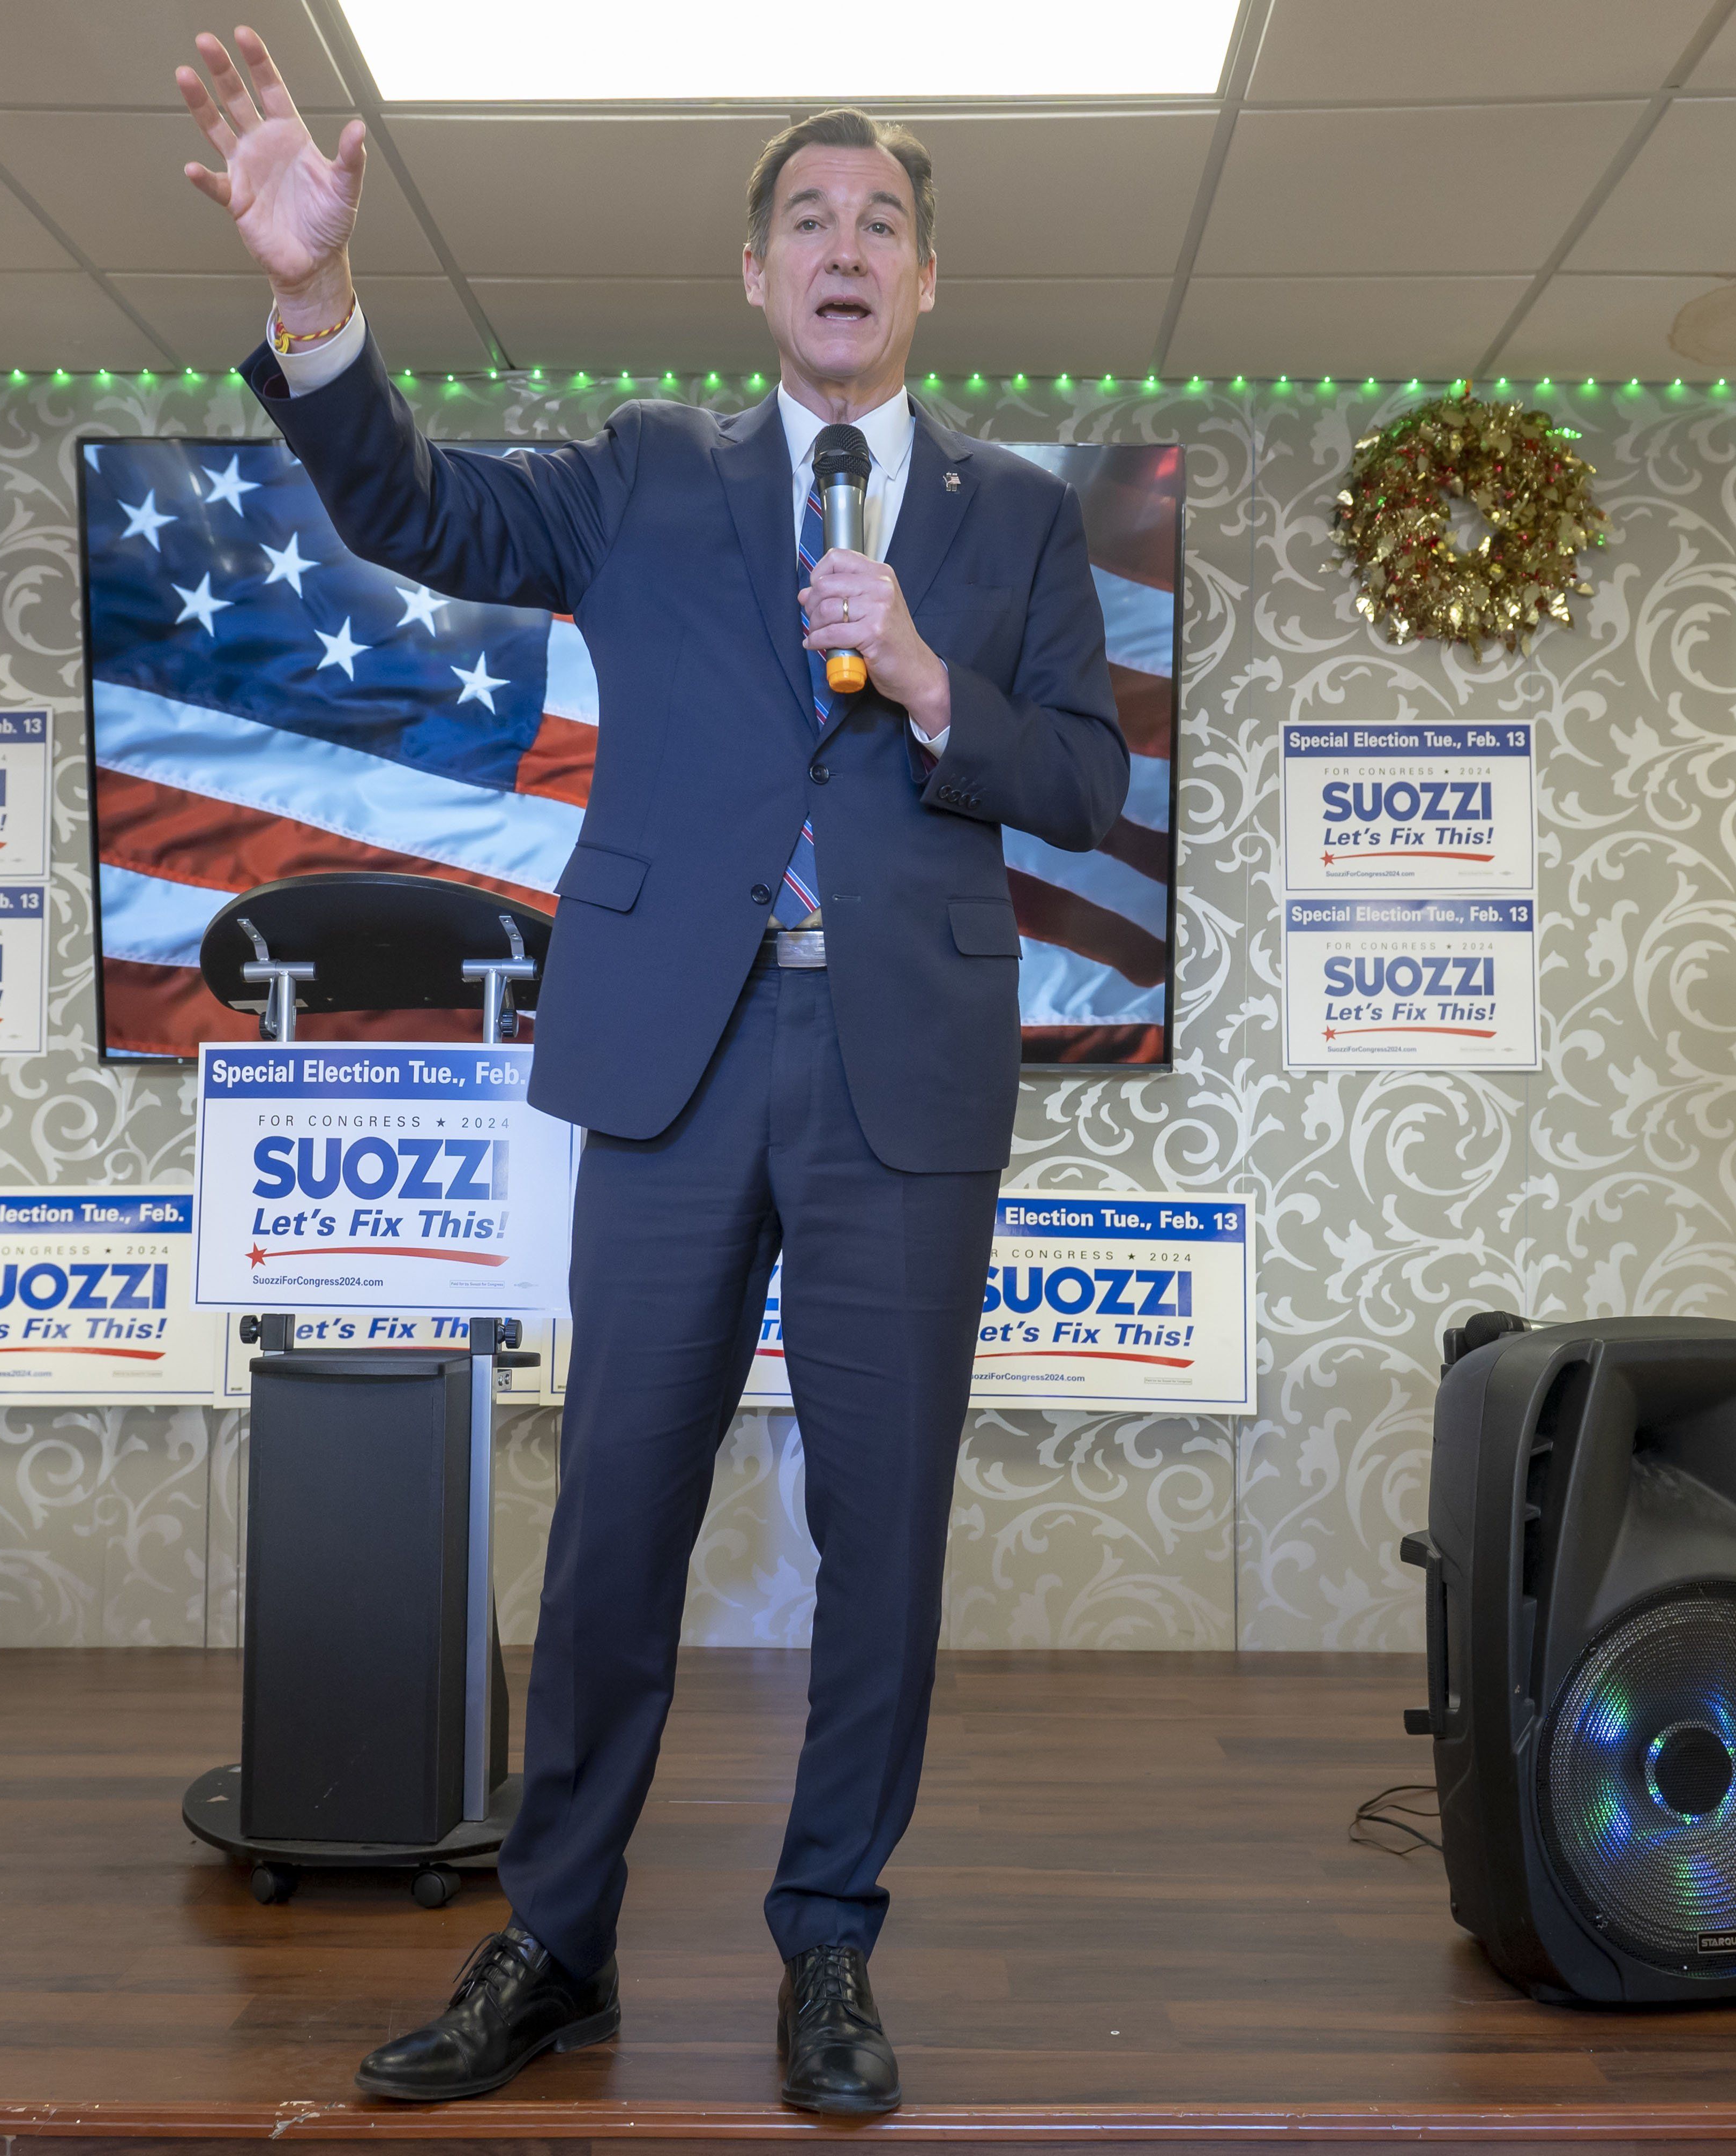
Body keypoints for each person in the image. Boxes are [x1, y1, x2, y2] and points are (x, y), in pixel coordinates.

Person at [176, 26, 1128, 2116]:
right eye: (811, 218)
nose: (847, 248)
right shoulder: (648, 475)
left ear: (928, 282)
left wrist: (937, 674)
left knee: (881, 1538)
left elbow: (1082, 775)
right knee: (614, 1517)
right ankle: (561, 1940)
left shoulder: (1019, 522)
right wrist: (317, 304)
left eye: (885, 221)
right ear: (758, 273)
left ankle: (829, 1946)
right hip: (678, 1058)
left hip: (904, 1079)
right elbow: (417, 506)